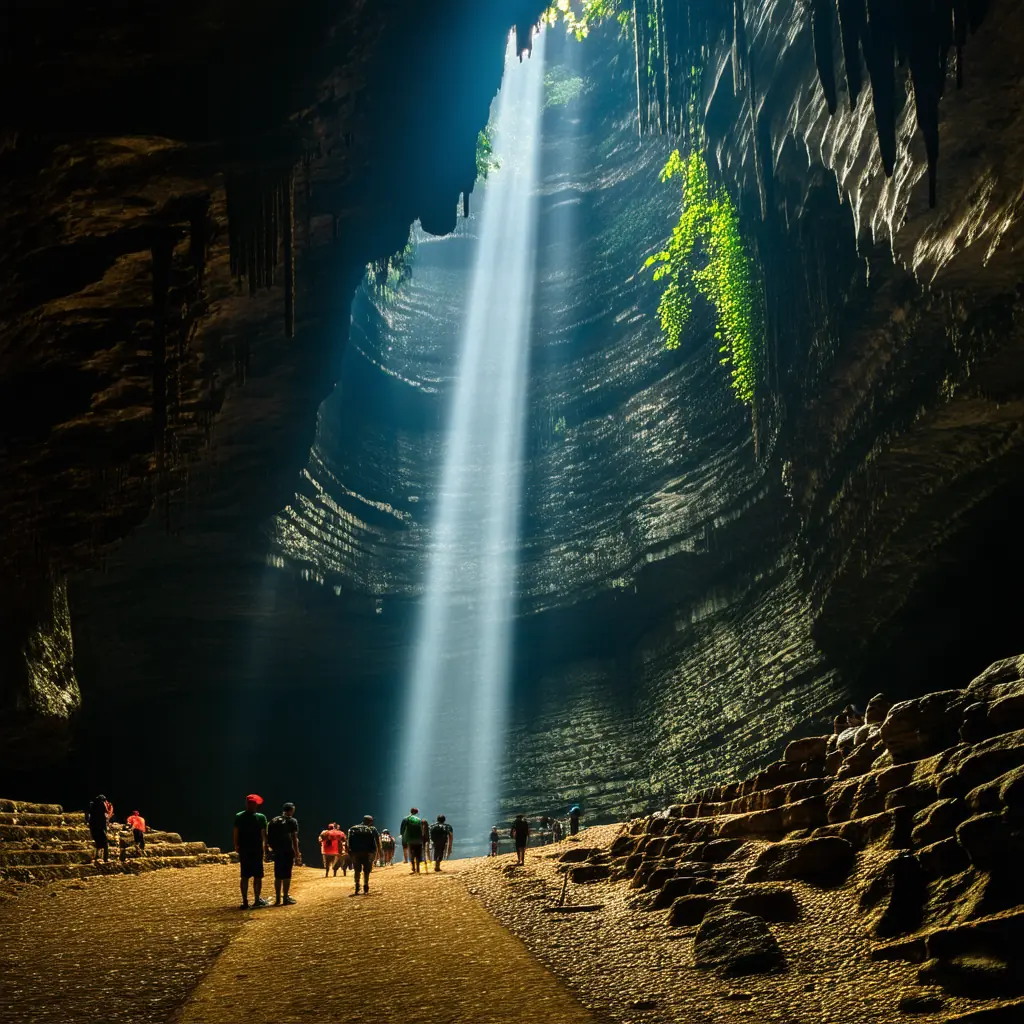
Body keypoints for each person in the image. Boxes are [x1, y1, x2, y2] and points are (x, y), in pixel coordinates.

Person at [233, 793, 270, 909]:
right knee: (257, 876)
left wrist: (236, 845)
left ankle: (245, 901)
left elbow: (236, 832)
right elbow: (264, 834)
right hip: (256, 849)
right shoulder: (261, 817)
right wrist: (266, 849)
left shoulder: (239, 816)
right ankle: (257, 899)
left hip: (244, 849)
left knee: (244, 875)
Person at [267, 802, 301, 905]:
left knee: (278, 875)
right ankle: (285, 897)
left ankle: (277, 898)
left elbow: (269, 836)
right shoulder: (292, 821)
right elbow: (294, 838)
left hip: (277, 851)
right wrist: (297, 853)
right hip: (287, 850)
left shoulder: (273, 821)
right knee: (287, 875)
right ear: (291, 810)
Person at [346, 814, 381, 894]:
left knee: (357, 870)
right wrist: (378, 852)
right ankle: (366, 885)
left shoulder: (353, 828)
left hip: (355, 852)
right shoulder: (372, 829)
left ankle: (357, 885)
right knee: (366, 870)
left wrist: (350, 853)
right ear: (370, 822)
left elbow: (348, 842)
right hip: (368, 852)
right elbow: (377, 842)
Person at [400, 808, 424, 874]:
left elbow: (402, 830)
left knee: (411, 853)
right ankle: (418, 868)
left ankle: (413, 868)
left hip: (410, 839)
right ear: (417, 812)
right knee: (418, 854)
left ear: (410, 811)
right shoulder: (419, 819)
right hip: (419, 839)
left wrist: (403, 837)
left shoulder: (406, 819)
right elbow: (422, 829)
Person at [87, 794, 110, 863]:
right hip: (101, 826)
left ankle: (97, 856)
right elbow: (107, 811)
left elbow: (88, 813)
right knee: (105, 842)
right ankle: (105, 858)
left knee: (97, 841)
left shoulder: (92, 804)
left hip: (93, 826)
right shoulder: (102, 804)